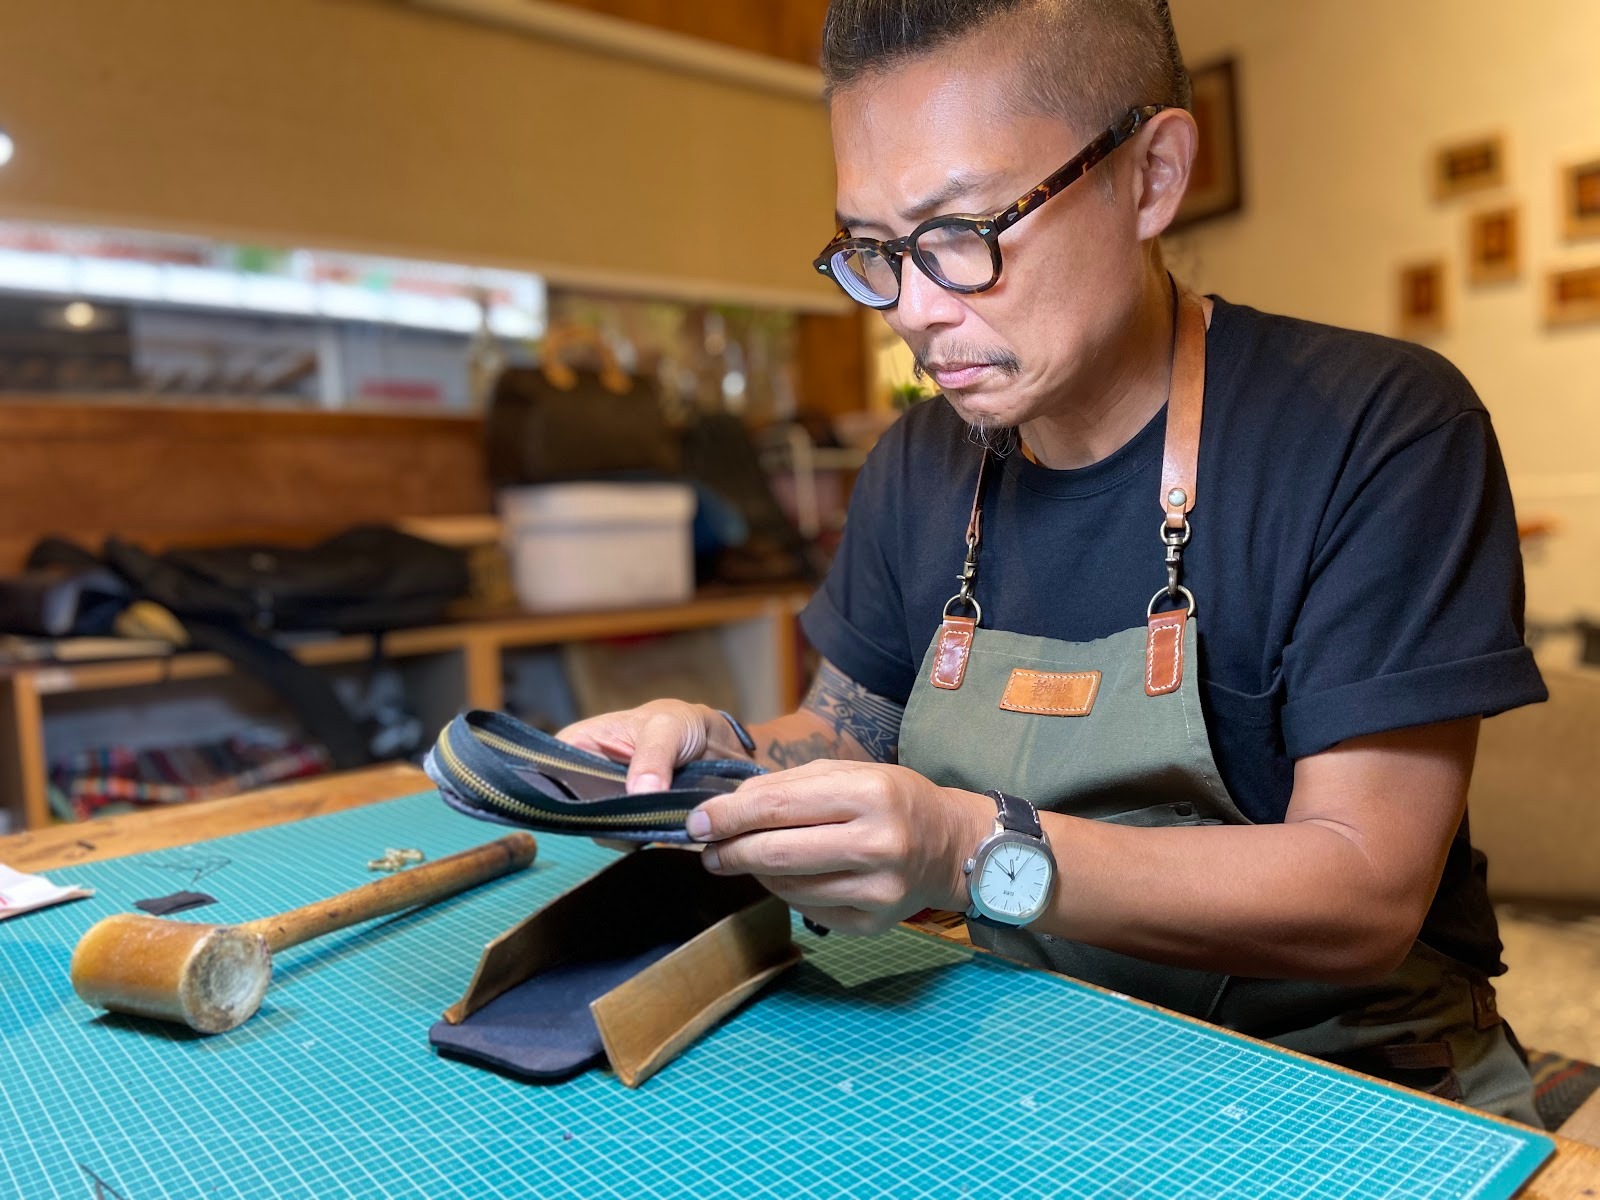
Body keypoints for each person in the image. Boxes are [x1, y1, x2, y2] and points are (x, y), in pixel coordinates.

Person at [559, 0, 1546, 1124]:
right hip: (1030, 1050)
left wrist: (966, 849)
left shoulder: (1377, 432)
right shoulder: (918, 464)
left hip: (1347, 1079)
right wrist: (724, 760)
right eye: (874, 251)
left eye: (961, 232)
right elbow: (847, 732)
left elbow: (1363, 892)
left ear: (1151, 176)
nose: (913, 312)